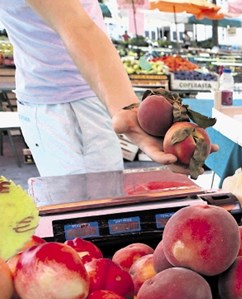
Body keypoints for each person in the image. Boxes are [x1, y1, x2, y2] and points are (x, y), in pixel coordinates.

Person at [0, 0, 192, 177]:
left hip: (90, 93)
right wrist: (128, 110)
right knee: (86, 205)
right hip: (65, 105)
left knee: (104, 198)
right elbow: (77, 26)